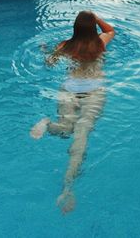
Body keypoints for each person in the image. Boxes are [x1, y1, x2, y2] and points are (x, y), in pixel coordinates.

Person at [30, 11, 115, 213]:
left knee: (66, 128)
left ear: (75, 28)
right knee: (82, 132)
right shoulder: (100, 43)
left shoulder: (65, 46)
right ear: (93, 27)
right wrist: (95, 18)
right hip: (94, 91)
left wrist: (46, 51)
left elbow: (49, 64)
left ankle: (46, 123)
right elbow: (111, 30)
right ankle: (68, 186)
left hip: (69, 89)